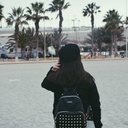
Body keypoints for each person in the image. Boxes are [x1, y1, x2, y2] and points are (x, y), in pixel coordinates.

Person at [41, 44, 103, 128]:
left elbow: (44, 84)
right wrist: (98, 124)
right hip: (82, 122)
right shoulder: (86, 79)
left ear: (60, 61)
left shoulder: (56, 78)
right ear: (78, 59)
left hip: (61, 122)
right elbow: (95, 104)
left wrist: (51, 71)